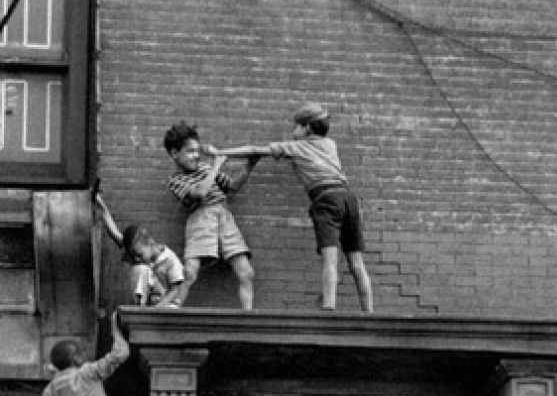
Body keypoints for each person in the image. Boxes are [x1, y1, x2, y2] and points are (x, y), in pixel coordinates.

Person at [208, 101, 373, 313]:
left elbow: (253, 150)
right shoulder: (330, 144)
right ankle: (369, 312)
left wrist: (220, 153)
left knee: (330, 259)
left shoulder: (295, 147)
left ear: (307, 128)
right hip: (348, 198)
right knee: (356, 261)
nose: (293, 131)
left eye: (296, 126)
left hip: (326, 199)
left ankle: (329, 309)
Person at [163, 121, 257, 310]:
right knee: (189, 272)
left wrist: (249, 166)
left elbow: (232, 187)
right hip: (201, 219)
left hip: (224, 216)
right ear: (174, 153)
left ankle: (248, 317)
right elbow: (200, 193)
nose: (196, 155)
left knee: (246, 273)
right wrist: (216, 165)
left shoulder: (206, 169)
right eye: (190, 151)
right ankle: (173, 307)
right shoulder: (176, 180)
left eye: (197, 150)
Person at [95, 192, 187, 308]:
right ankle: (140, 308)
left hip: (168, 305)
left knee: (142, 268)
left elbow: (175, 290)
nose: (136, 259)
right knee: (140, 268)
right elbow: (112, 229)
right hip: (149, 305)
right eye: (133, 256)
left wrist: (159, 307)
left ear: (150, 243)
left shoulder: (170, 260)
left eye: (139, 254)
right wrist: (98, 200)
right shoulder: (137, 253)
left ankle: (145, 313)